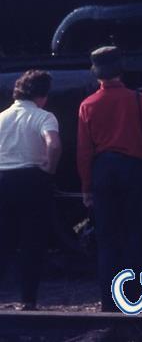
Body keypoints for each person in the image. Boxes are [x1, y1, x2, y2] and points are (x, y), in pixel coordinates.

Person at [77, 46, 142, 312]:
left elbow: (84, 150)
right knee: (133, 235)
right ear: (120, 69)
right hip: (132, 169)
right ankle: (132, 299)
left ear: (96, 73)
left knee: (106, 239)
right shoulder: (140, 100)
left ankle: (108, 301)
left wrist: (86, 186)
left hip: (102, 170)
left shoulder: (87, 105)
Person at [0, 70, 61, 311]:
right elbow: (53, 145)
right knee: (32, 241)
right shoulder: (44, 117)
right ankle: (28, 298)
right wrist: (49, 169)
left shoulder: (2, 117)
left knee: (3, 240)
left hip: (3, 178)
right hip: (32, 179)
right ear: (41, 95)